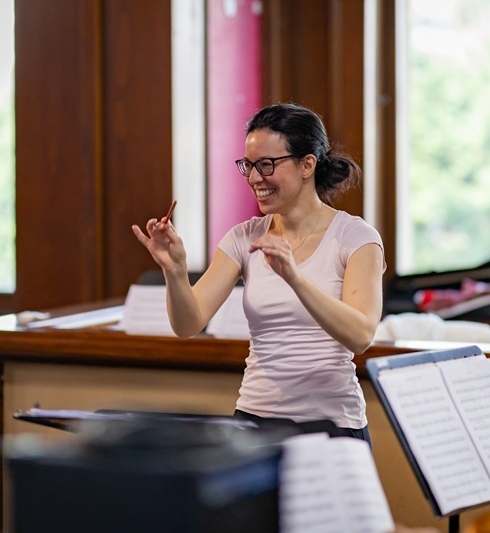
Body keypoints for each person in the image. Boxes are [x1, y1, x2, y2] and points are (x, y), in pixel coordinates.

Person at [132, 103, 385, 444]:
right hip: (254, 421)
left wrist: (295, 278)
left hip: (332, 424)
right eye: (248, 166)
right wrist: (175, 271)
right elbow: (187, 324)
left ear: (307, 164)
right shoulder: (244, 236)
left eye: (267, 165)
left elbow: (361, 335)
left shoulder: (355, 237)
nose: (254, 178)